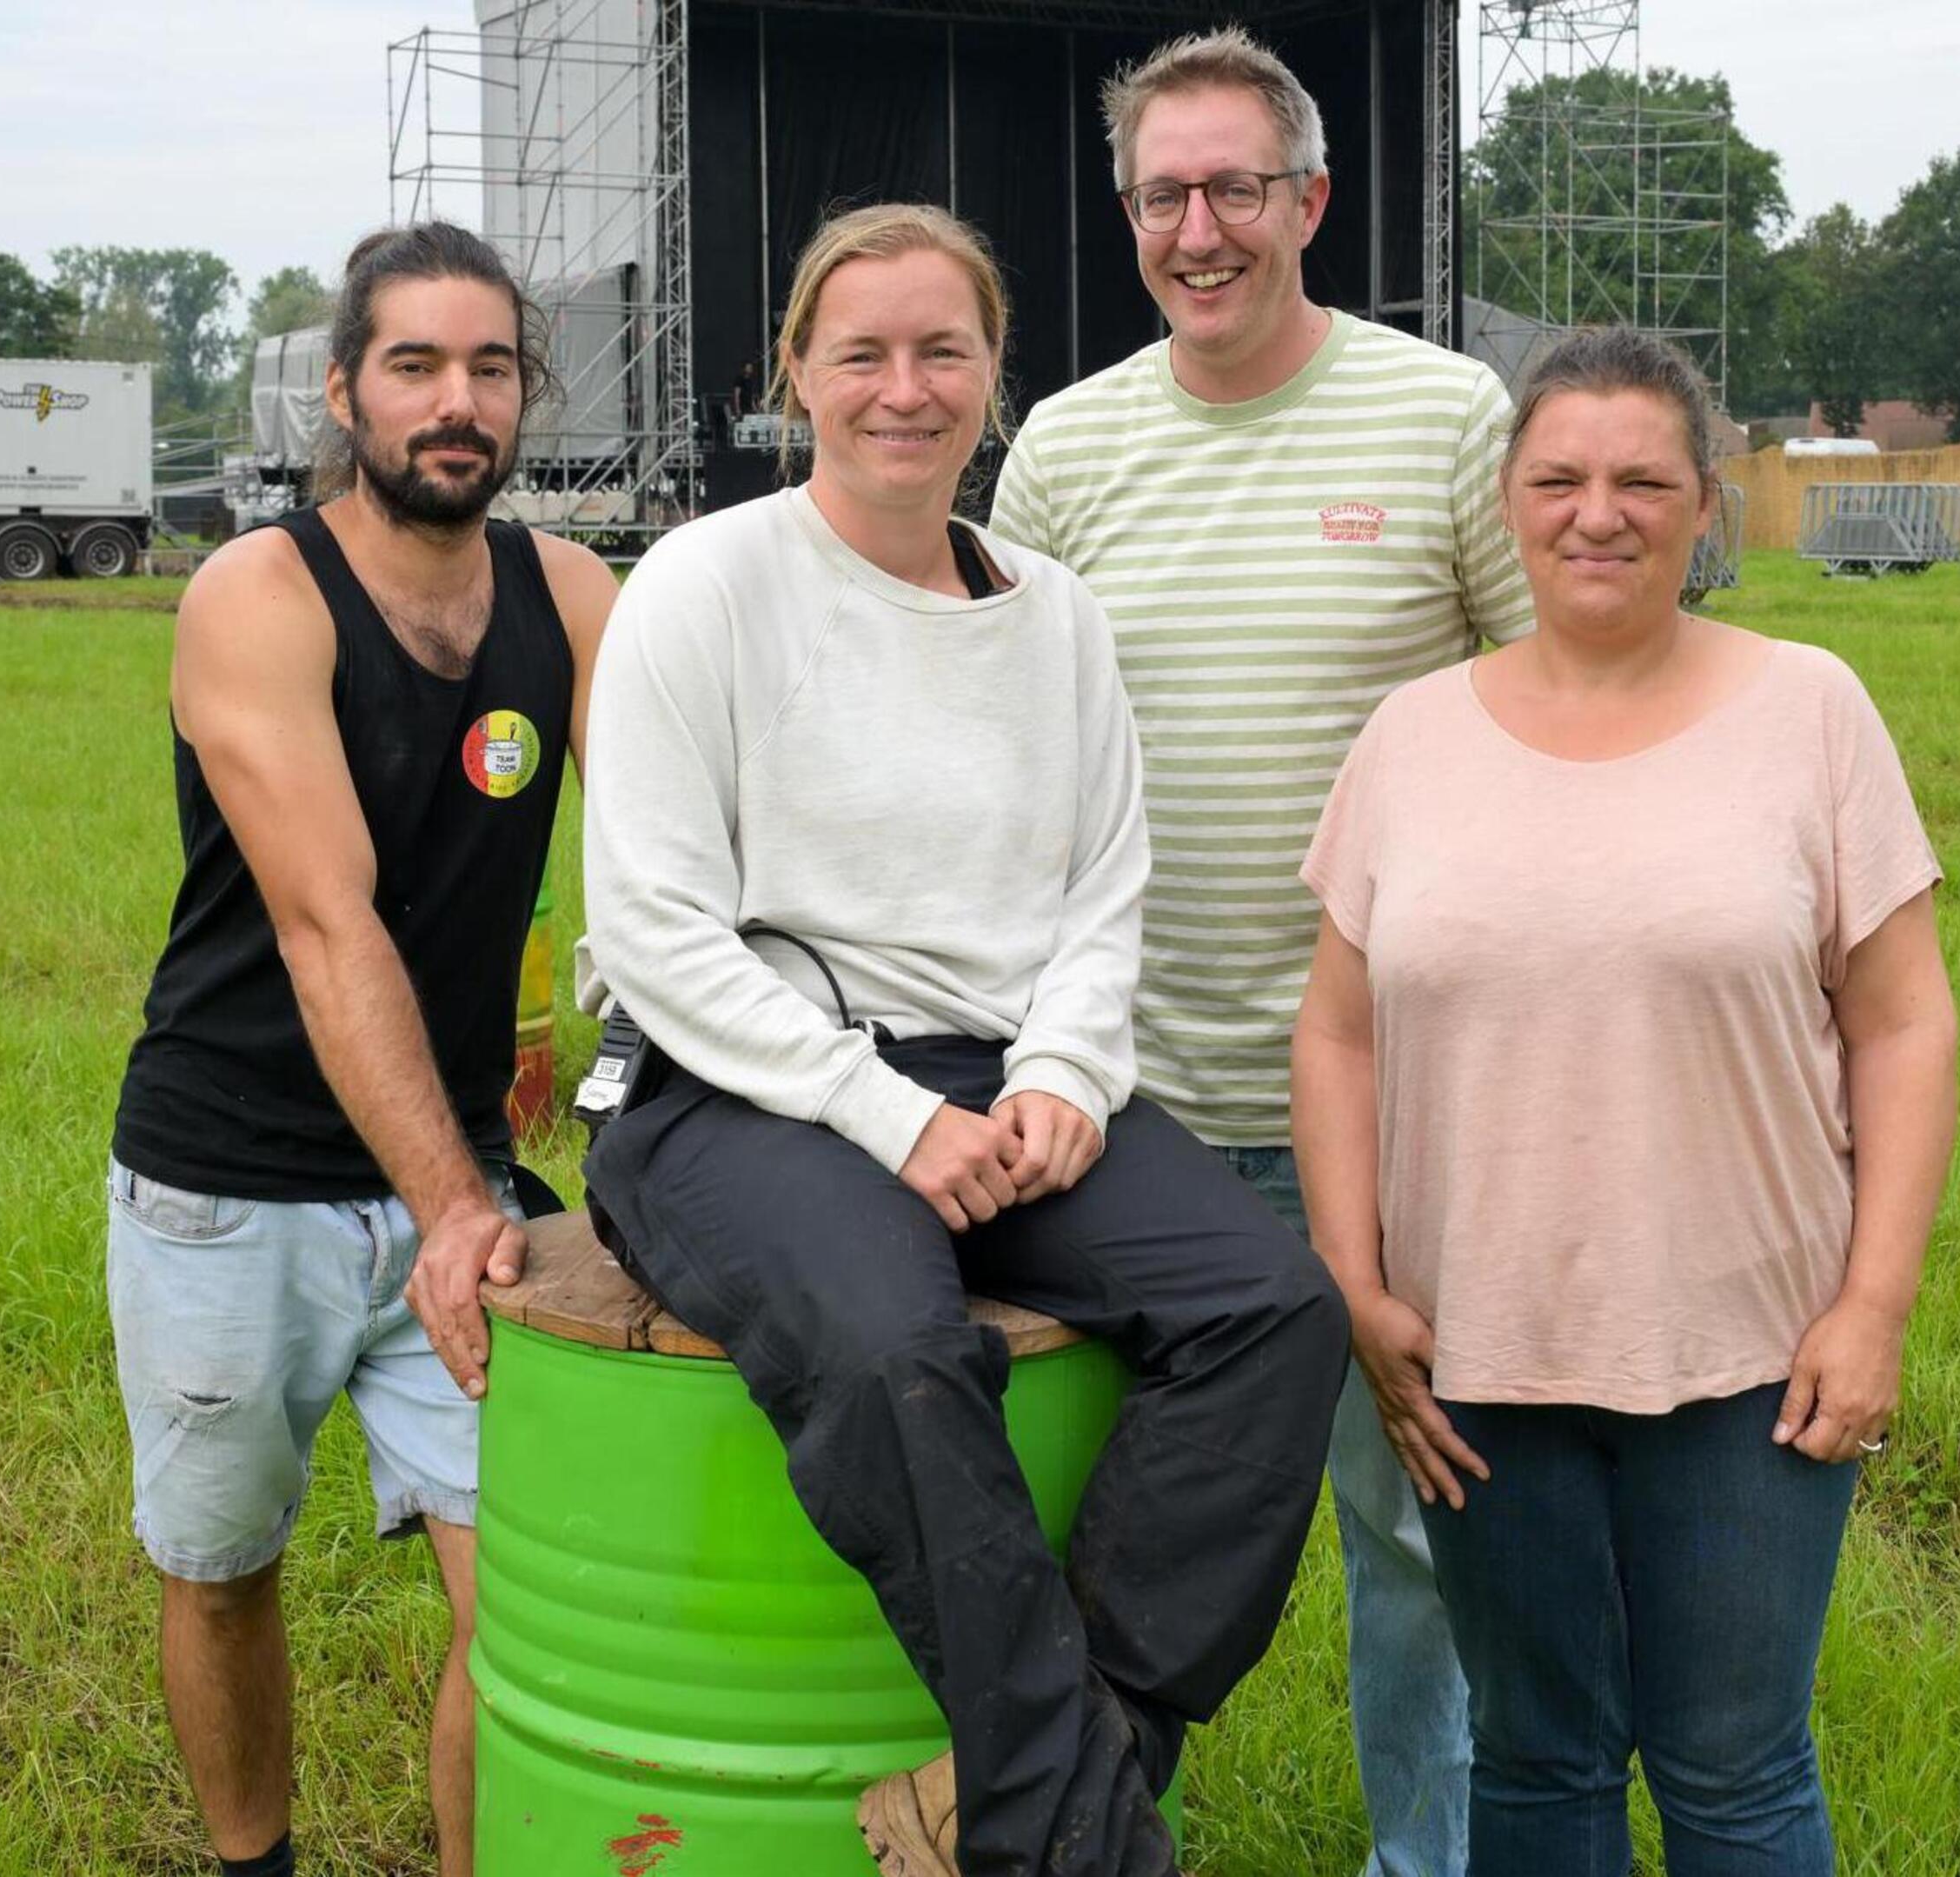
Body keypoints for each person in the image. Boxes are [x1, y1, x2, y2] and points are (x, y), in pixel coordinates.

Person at [579, 202, 1347, 1877]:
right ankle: (1082, 1844)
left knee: (1276, 1308)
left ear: (997, 376)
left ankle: (1066, 1760)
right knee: (895, 1350)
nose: (902, 389)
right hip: (740, 1090)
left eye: (944, 351)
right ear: (796, 374)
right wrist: (882, 1115)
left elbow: (1103, 884)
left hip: (998, 1077)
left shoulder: (1054, 617)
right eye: (861, 352)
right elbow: (651, 928)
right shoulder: (705, 586)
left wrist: (1067, 1073)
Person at [1292, 326, 1960, 1877]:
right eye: (1562, 479)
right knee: (1537, 1763)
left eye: (1644, 479)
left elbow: (1908, 1025)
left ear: (1706, 504)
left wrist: (1875, 1306)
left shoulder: (1811, 710)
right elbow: (1336, 1034)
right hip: (1479, 1357)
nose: (1602, 512)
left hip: (1751, 1355)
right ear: (1510, 502)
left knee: (1732, 1769)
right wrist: (1351, 1279)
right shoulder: (1413, 738)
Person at [986, 32, 1527, 1874]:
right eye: (1161, 194)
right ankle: (1106, 1846)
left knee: (1424, 1538)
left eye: (1233, 189)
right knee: (1112, 1539)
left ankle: (1431, 1859)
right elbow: (1005, 763)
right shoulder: (1063, 449)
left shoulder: (1449, 418)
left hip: (1398, 1112)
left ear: (1312, 199)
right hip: (1122, 1117)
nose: (1196, 228)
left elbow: (1556, 718)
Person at [104, 222, 618, 1877]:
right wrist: (457, 1205)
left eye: (490, 368)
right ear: (343, 391)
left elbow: (696, 852)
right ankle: (257, 1861)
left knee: (526, 1596)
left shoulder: (574, 596)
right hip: (230, 1181)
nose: (455, 403)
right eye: (415, 366)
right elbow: (331, 932)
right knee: (224, 1563)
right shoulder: (258, 597)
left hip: (462, 1189)